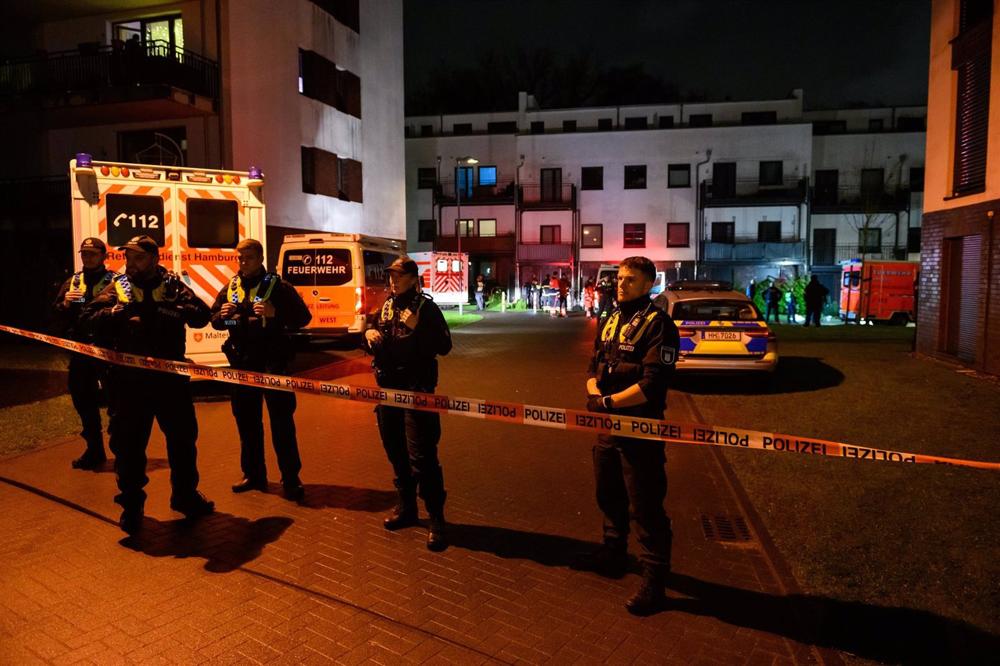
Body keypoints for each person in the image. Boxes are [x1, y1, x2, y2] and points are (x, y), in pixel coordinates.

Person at [82, 235, 214, 534]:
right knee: (128, 448)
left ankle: (185, 496)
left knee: (182, 442)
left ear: (154, 259)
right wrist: (113, 315)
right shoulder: (118, 287)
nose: (131, 263)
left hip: (170, 382)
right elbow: (88, 317)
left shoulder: (172, 286)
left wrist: (169, 313)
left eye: (138, 257)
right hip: (129, 384)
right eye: (128, 257)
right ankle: (131, 506)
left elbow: (202, 316)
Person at [584, 256, 680, 615]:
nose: (620, 285)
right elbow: (593, 365)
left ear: (649, 285)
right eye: (620, 279)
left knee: (645, 505)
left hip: (640, 430)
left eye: (630, 280)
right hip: (608, 427)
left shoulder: (660, 325)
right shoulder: (609, 320)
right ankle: (613, 552)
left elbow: (653, 385)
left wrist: (608, 401)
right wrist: (595, 390)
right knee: (607, 491)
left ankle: (654, 580)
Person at [209, 239, 312, 501]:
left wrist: (274, 313)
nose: (243, 263)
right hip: (242, 364)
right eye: (240, 258)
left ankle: (290, 478)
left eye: (249, 258)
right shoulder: (231, 287)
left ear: (260, 258)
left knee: (282, 424)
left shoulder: (278, 287)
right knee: (247, 423)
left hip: (273, 364)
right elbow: (218, 323)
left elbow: (302, 319)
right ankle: (254, 475)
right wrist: (225, 315)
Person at [363, 257, 453, 551]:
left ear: (414, 278)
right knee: (395, 451)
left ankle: (436, 518)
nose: (393, 280)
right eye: (391, 276)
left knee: (422, 457)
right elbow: (370, 337)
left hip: (417, 392)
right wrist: (368, 335)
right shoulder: (386, 306)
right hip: (388, 390)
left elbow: (444, 346)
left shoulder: (426, 308)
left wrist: (419, 328)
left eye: (399, 276)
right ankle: (407, 508)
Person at [52, 237, 120, 470]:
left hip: (108, 351)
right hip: (80, 352)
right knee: (83, 402)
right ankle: (94, 451)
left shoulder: (117, 282)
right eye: (84, 254)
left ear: (104, 256)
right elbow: (55, 314)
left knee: (117, 404)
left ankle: (122, 452)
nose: (87, 257)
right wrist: (65, 305)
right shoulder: (73, 282)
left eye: (92, 253)